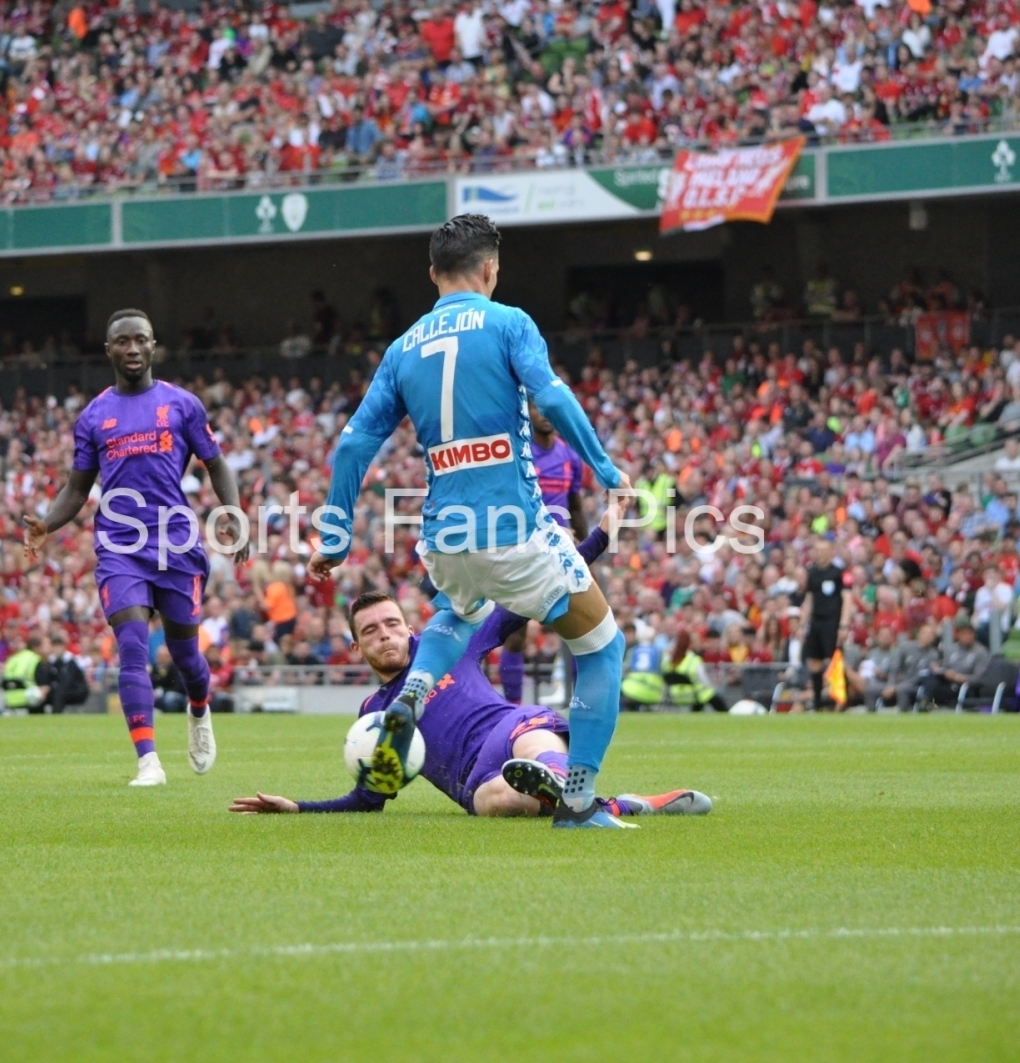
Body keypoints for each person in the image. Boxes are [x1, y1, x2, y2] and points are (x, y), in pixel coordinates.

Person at [309, 215, 632, 829]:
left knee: (461, 611)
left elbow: (352, 446)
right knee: (601, 647)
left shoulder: (402, 348)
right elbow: (554, 399)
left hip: (444, 537)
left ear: (433, 275)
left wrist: (334, 535)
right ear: (490, 269)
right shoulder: (510, 322)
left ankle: (411, 693)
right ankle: (579, 801)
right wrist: (605, 467)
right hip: (514, 528)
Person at [232, 520, 707, 820]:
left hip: (510, 728)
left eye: (392, 623)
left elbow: (537, 591)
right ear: (356, 647)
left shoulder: (452, 640)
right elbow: (368, 800)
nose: (386, 634)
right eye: (372, 631)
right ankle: (621, 805)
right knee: (495, 803)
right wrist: (296, 808)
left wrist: (601, 535)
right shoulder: (374, 715)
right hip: (474, 781)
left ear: (408, 625)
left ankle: (562, 783)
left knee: (535, 747)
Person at [23, 309, 249, 787]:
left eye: (140, 340)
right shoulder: (94, 416)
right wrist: (46, 523)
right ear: (108, 350)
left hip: (177, 544)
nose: (131, 349)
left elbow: (217, 464)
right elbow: (77, 486)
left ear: (152, 346)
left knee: (186, 657)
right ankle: (148, 761)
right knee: (131, 644)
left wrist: (232, 512)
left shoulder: (183, 405)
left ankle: (199, 710)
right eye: (121, 341)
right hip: (120, 546)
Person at [498, 401, 587, 703]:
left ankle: (580, 703)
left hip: (562, 551)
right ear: (528, 413)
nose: (546, 416)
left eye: (551, 410)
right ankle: (512, 709)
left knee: (580, 629)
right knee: (515, 634)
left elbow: (575, 504)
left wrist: (588, 551)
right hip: (525, 549)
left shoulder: (569, 454)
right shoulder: (518, 452)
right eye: (539, 410)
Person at [801, 539, 850, 708]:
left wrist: (844, 624)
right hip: (816, 621)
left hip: (832, 621)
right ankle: (817, 701)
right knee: (814, 661)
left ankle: (840, 701)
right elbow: (809, 599)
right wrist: (803, 623)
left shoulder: (838, 573)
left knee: (834, 661)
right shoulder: (812, 573)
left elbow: (847, 598)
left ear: (831, 552)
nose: (821, 553)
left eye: (824, 550)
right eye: (818, 550)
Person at [913, 623, 989, 710]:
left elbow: (980, 679)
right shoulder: (952, 649)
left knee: (938, 689)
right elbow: (944, 666)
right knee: (930, 675)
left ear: (974, 635)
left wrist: (957, 677)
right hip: (948, 682)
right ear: (958, 635)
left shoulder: (980, 652)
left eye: (969, 634)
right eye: (963, 634)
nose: (967, 637)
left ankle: (926, 702)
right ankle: (924, 700)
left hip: (965, 687)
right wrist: (938, 668)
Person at [35, 633, 91, 714]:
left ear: (64, 647)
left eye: (59, 646)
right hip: (59, 691)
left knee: (59, 693)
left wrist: (53, 686)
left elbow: (69, 681)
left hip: (76, 691)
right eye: (54, 646)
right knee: (40, 695)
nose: (57, 649)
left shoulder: (70, 661)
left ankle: (56, 717)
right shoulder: (50, 662)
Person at [1, 634, 48, 712]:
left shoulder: (14, 658)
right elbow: (42, 684)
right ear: (36, 647)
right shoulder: (35, 659)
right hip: (27, 696)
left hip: (9, 697)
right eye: (45, 645)